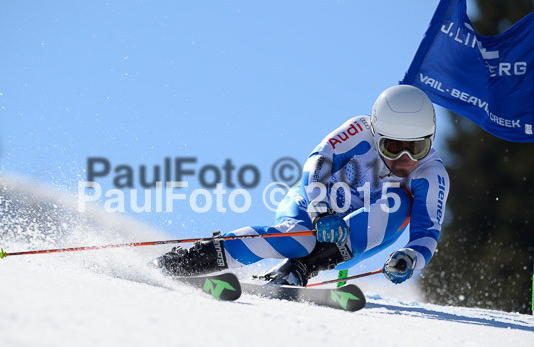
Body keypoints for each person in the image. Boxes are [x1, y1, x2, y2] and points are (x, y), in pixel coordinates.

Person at [152, 85, 450, 286]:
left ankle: (300, 269)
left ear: (431, 139)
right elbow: (316, 164)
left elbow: (426, 234)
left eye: (418, 148)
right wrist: (320, 211)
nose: (405, 159)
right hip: (311, 203)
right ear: (376, 133)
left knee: (400, 202)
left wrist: (411, 257)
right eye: (393, 146)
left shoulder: (431, 175)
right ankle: (186, 261)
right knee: (298, 240)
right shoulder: (359, 131)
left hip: (357, 234)